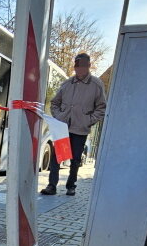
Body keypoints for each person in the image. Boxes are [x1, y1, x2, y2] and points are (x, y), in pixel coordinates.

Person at [41, 53, 106, 196]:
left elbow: (101, 108)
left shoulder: (96, 85)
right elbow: (55, 103)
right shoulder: (66, 84)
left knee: (75, 159)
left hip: (80, 129)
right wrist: (58, 116)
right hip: (63, 128)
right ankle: (52, 186)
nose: (79, 70)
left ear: (88, 66)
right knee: (56, 157)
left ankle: (71, 186)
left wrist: (88, 121)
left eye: (82, 67)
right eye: (77, 67)